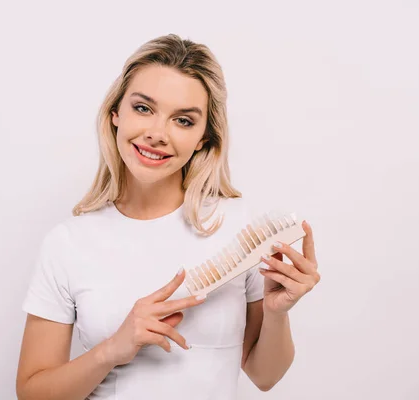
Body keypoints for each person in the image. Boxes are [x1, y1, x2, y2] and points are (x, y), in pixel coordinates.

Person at [16, 33, 320, 400]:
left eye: (183, 121)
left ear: (204, 139)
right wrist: (114, 348)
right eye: (143, 108)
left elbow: (264, 375)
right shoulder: (68, 243)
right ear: (116, 113)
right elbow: (33, 392)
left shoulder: (238, 227)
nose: (157, 134)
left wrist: (276, 313)